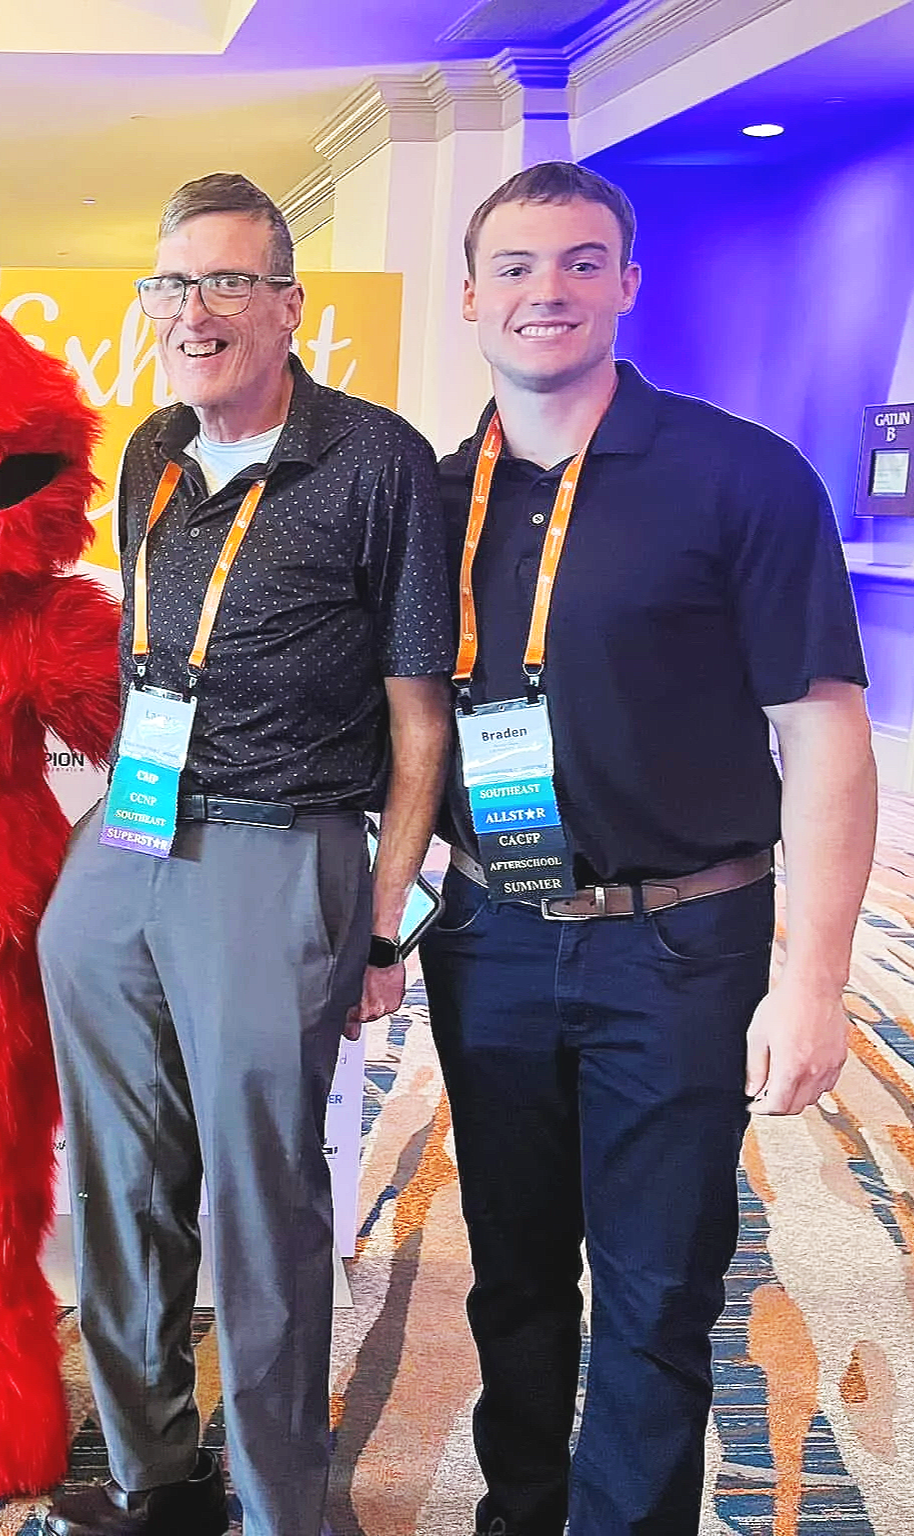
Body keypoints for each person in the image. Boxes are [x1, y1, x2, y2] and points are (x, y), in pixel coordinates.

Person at [420, 161, 874, 1536]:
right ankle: (523, 1514)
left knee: (659, 1283)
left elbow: (827, 734)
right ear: (468, 297)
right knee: (508, 1273)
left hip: (683, 942)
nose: (542, 292)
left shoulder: (740, 475)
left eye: (576, 262)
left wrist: (815, 979)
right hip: (492, 935)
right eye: (513, 266)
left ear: (626, 282)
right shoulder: (437, 498)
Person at [37, 173, 455, 1536]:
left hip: (283, 848)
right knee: (115, 1180)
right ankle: (157, 1477)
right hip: (134, 837)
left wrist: (386, 920)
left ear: (288, 304)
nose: (194, 312)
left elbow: (416, 718)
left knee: (262, 1204)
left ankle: (284, 1508)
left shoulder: (376, 458)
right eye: (173, 285)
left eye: (226, 283)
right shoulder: (151, 449)